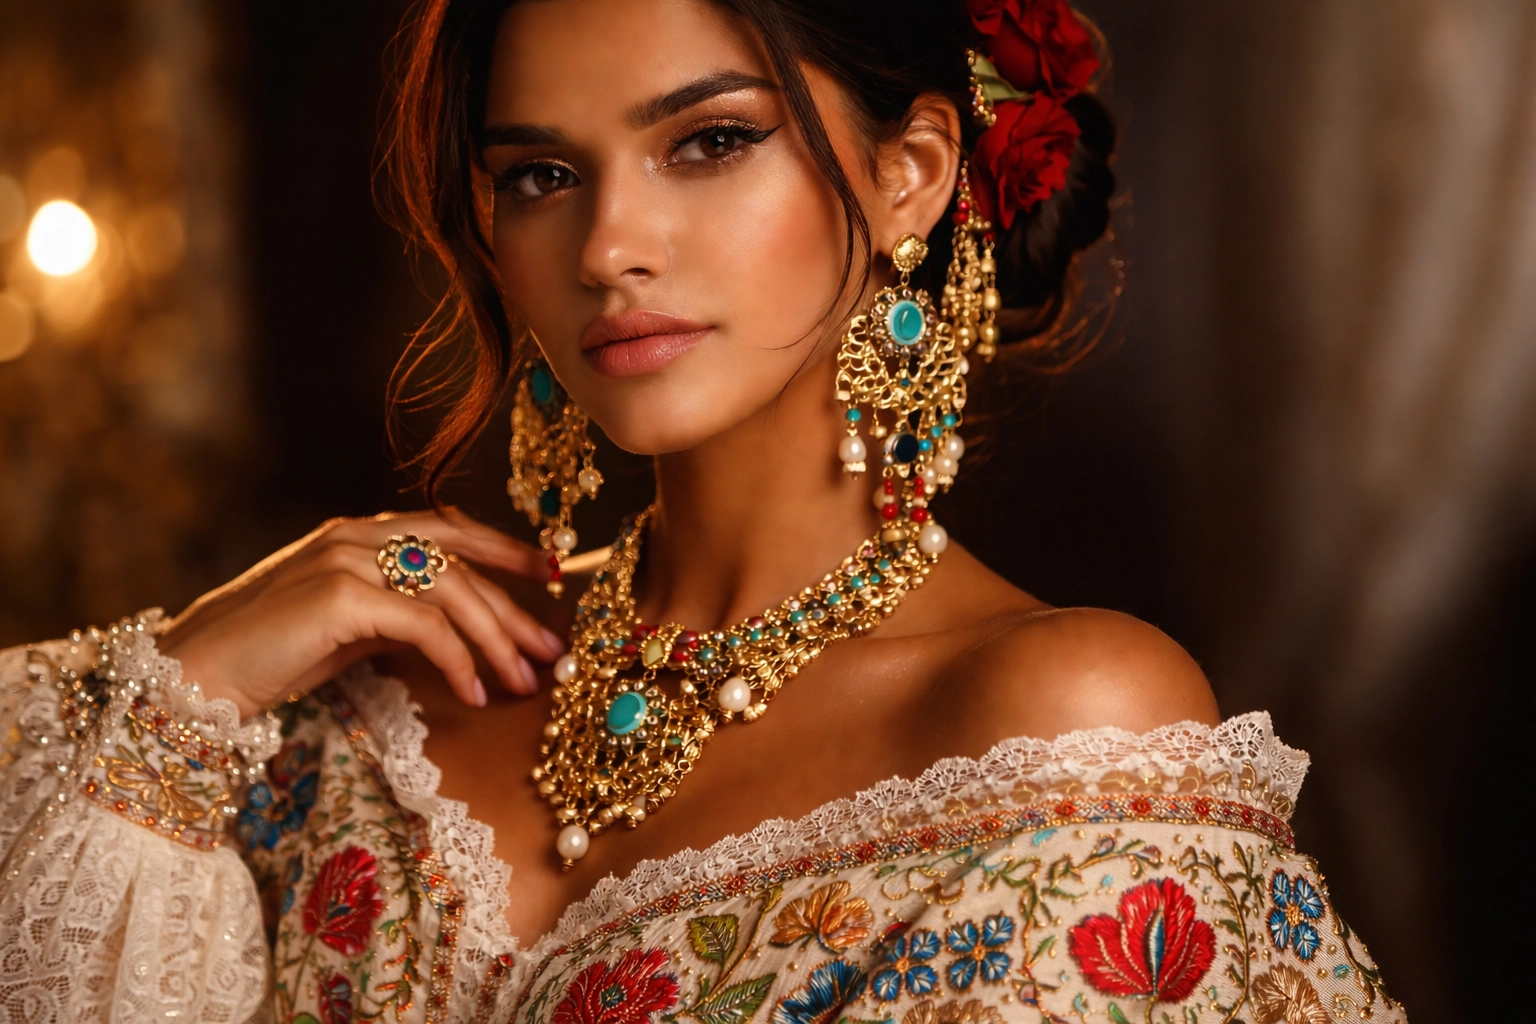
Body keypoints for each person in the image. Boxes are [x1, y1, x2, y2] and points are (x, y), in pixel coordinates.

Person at [0, 1, 1408, 1021]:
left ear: (908, 176)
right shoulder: (355, 696)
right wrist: (193, 678)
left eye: (709, 142)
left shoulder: (1063, 725)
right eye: (541, 175)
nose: (610, 247)